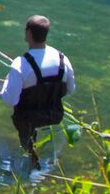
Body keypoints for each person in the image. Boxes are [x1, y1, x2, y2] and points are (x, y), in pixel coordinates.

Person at [7, 15, 73, 172]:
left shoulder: (20, 64)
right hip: (54, 117)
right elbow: (70, 90)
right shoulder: (63, 60)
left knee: (28, 148)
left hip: (27, 120)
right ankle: (44, 165)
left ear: (29, 33)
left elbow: (10, 99)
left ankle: (31, 160)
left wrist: (7, 83)